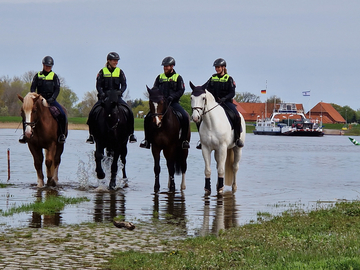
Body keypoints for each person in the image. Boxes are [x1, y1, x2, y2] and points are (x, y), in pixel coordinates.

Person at [86, 52, 137, 144]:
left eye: (117, 60)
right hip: (104, 97)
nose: (116, 62)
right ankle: (91, 135)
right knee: (93, 112)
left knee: (129, 111)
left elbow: (124, 85)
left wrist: (120, 92)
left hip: (116, 97)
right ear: (108, 61)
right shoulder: (102, 72)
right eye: (114, 60)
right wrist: (101, 93)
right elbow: (98, 85)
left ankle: (131, 134)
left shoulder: (120, 72)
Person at [140, 56, 190, 149]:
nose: (165, 68)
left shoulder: (178, 77)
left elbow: (181, 90)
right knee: (147, 118)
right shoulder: (159, 77)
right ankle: (147, 140)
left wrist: (173, 96)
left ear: (172, 66)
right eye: (164, 66)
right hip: (161, 104)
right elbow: (155, 88)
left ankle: (184, 140)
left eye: (167, 66)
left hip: (173, 103)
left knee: (184, 116)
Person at [196, 58, 244, 149]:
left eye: (218, 67)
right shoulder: (212, 78)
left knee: (237, 116)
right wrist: (197, 89)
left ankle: (237, 138)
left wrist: (224, 98)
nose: (217, 69)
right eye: (216, 67)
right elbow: (205, 88)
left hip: (226, 103)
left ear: (223, 67)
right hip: (214, 104)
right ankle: (202, 140)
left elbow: (232, 93)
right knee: (199, 118)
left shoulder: (229, 79)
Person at [19, 56, 67, 144]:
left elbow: (57, 89)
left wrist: (52, 99)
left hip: (51, 100)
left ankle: (61, 135)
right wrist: (33, 98)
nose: (47, 68)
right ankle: (25, 135)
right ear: (43, 65)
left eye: (49, 66)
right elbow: (33, 88)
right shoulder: (37, 76)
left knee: (62, 114)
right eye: (46, 66)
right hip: (39, 100)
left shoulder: (54, 76)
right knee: (26, 114)